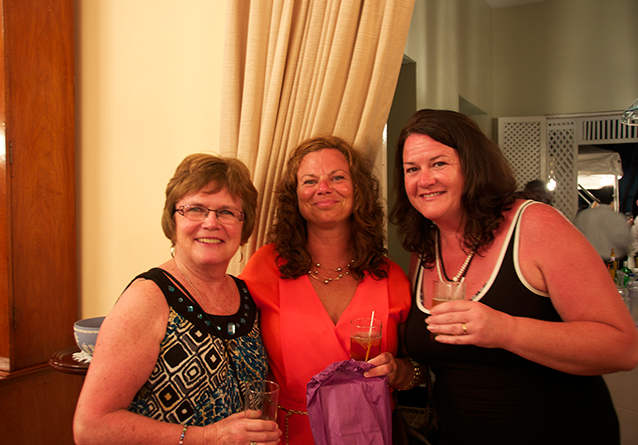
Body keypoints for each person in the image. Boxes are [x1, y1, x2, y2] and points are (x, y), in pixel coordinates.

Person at [390, 109, 638, 444]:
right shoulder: (423, 247)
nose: (424, 179)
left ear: (473, 165)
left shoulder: (535, 224)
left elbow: (621, 348)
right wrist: (401, 370)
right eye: (411, 169)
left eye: (439, 163)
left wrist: (506, 330)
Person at [74, 154, 281, 445]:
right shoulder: (148, 298)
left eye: (227, 212)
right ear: (173, 221)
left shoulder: (246, 295)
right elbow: (91, 427)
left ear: (243, 229)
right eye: (195, 209)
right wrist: (208, 437)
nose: (211, 223)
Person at [240, 136, 413, 445]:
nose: (324, 188)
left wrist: (399, 371)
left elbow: (418, 370)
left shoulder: (390, 276)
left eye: (337, 177)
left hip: (370, 434)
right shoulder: (264, 267)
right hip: (288, 436)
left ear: (358, 189)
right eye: (310, 180)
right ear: (295, 195)